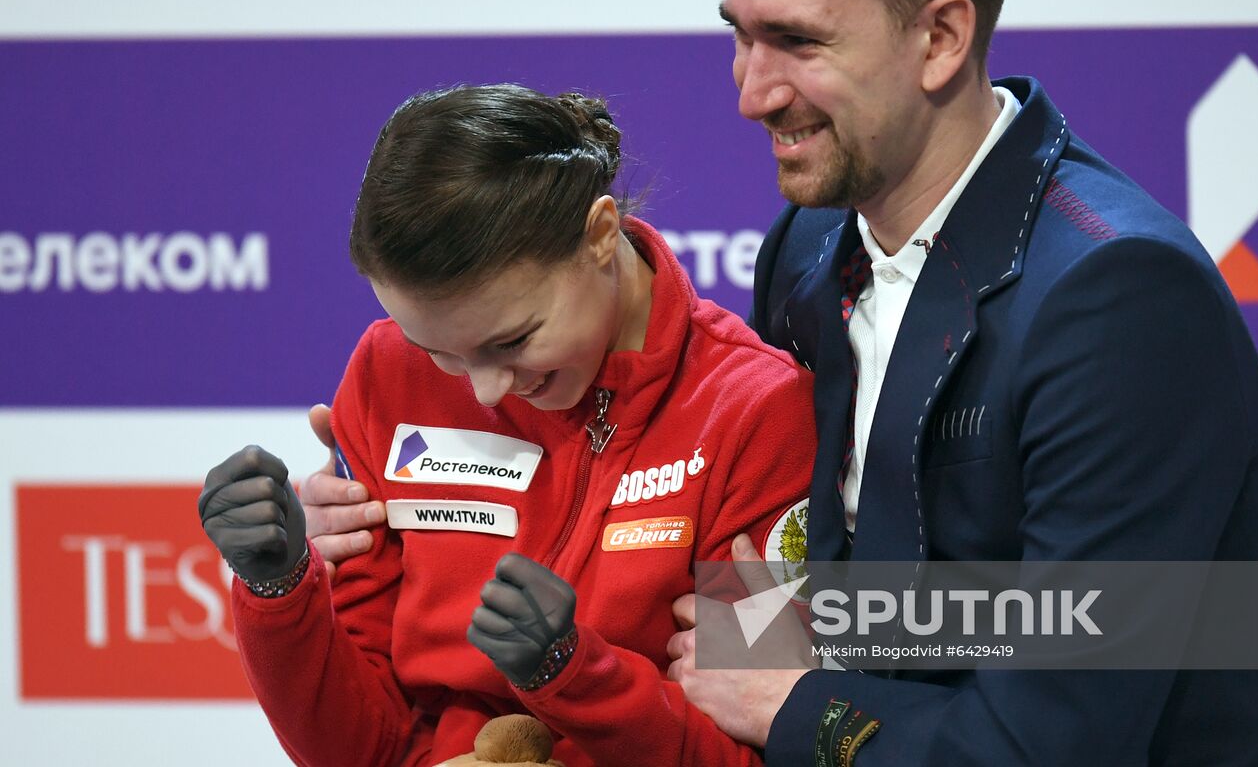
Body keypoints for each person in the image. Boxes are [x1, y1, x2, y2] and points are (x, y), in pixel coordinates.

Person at [303, 0, 1258, 767]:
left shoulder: (1120, 297)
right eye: (739, 34)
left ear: (940, 37)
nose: (750, 91)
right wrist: (395, 513)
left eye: (796, 41)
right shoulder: (803, 248)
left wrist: (800, 698)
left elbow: (1061, 730)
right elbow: (800, 588)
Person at [198, 84, 815, 767]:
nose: (487, 388)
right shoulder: (385, 371)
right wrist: (279, 590)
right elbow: (365, 749)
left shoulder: (754, 410)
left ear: (600, 235)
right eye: (441, 354)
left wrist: (571, 673)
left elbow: (746, 752)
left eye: (512, 340)